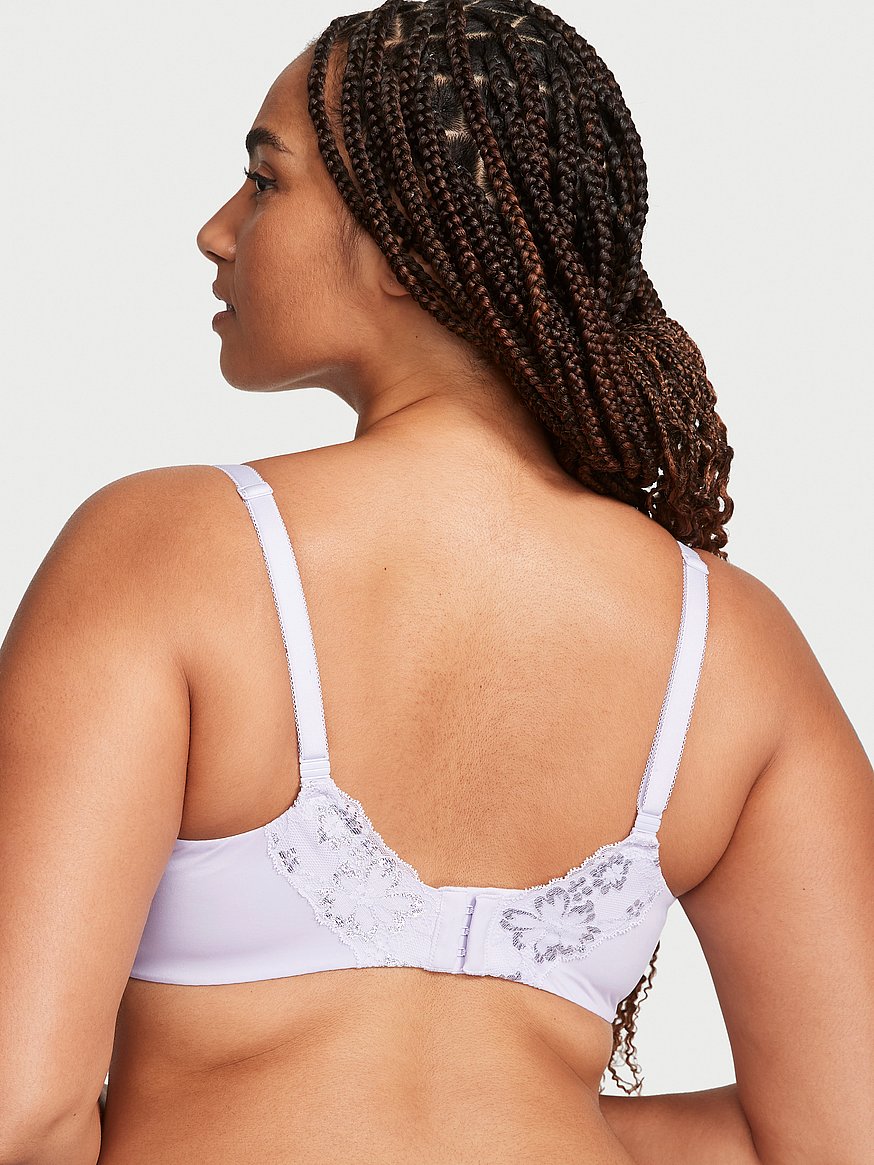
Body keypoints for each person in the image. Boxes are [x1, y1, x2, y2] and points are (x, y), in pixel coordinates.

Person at [1, 1, 871, 1162]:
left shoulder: (165, 551)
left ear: (404, 240)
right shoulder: (735, 645)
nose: (218, 231)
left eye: (265, 182)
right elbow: (836, 1136)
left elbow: (20, 1113)